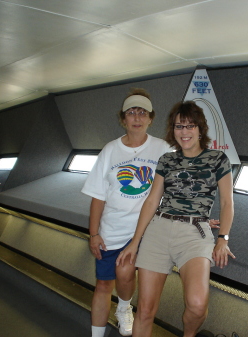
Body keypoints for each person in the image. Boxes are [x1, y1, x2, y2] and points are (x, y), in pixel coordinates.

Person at [116, 101, 235, 337]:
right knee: (146, 310)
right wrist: (135, 241)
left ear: (200, 129)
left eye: (190, 126)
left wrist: (223, 238)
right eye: (179, 127)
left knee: (197, 304)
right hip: (159, 228)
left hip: (195, 233)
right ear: (173, 130)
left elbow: (227, 203)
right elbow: (152, 201)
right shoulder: (167, 161)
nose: (184, 132)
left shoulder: (218, 159)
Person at [81, 89, 172, 337]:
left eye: (142, 112)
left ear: (151, 118)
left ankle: (123, 308)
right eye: (131, 112)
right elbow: (98, 197)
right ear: (123, 119)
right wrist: (93, 234)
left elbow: (178, 185)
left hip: (148, 231)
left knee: (128, 272)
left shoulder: (162, 149)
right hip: (113, 229)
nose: (137, 117)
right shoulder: (110, 150)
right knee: (103, 284)